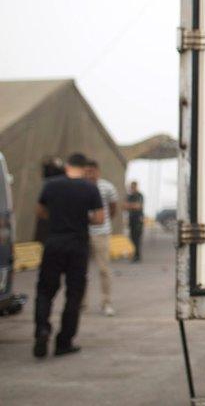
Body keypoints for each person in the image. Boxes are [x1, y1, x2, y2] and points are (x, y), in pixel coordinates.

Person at [34, 152, 104, 358]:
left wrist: (56, 218)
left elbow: (40, 211)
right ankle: (64, 341)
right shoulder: (90, 188)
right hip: (77, 246)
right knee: (74, 295)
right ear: (84, 168)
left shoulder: (51, 185)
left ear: (67, 166)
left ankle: (42, 330)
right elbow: (99, 218)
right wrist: (82, 219)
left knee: (45, 291)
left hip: (54, 243)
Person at [83, 160, 118, 316]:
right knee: (81, 270)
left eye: (92, 171)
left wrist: (102, 221)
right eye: (87, 171)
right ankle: (82, 303)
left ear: (98, 171)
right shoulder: (80, 187)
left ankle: (106, 302)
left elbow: (112, 208)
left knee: (103, 269)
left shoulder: (107, 187)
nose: (89, 174)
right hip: (83, 233)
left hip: (101, 233)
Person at [125, 181, 145, 262]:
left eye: (133, 187)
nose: (132, 188)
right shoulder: (130, 196)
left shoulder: (139, 195)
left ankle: (137, 256)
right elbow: (124, 206)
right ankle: (134, 254)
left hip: (138, 220)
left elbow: (138, 206)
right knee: (132, 238)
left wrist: (130, 205)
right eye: (131, 187)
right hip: (131, 219)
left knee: (137, 238)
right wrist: (132, 205)